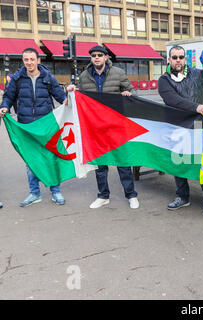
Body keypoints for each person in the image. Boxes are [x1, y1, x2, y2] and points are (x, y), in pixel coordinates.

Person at [68, 45, 139, 210]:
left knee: (123, 162)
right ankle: (103, 196)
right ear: (91, 58)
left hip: (116, 125)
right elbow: (79, 99)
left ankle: (131, 195)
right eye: (93, 55)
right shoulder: (84, 76)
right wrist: (70, 93)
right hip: (95, 127)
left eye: (100, 55)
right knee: (100, 164)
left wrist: (129, 94)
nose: (96, 58)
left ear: (106, 57)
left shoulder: (118, 73)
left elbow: (133, 91)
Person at [0, 48, 67, 207]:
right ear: (23, 61)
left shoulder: (48, 78)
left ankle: (55, 191)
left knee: (50, 158)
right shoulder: (17, 79)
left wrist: (67, 99)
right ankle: (34, 193)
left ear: (38, 60)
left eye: (32, 59)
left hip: (45, 127)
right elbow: (8, 97)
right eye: (26, 59)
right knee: (31, 161)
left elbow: (60, 96)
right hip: (27, 126)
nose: (29, 62)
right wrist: (4, 107)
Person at [158, 45, 203, 216]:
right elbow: (172, 99)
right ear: (169, 60)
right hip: (178, 127)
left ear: (185, 59)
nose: (178, 60)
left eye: (180, 57)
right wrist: (196, 106)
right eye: (174, 57)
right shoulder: (164, 80)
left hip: (200, 127)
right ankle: (182, 197)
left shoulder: (199, 74)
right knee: (178, 163)